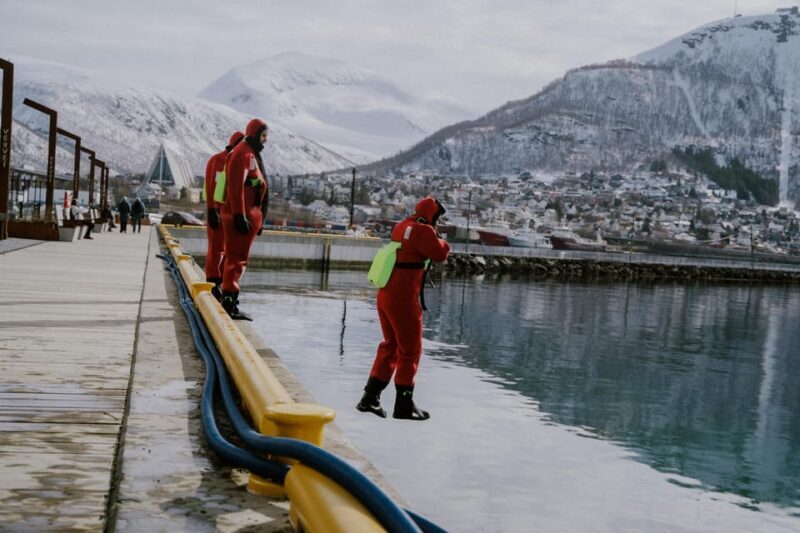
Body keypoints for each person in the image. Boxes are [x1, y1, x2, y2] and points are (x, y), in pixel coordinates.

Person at [357, 197, 449, 421]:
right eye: (438, 217)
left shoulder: (401, 226)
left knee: (391, 345)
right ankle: (404, 404)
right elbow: (441, 253)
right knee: (411, 350)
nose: (438, 222)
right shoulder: (424, 231)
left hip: (385, 294)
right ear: (432, 215)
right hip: (403, 299)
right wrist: (440, 238)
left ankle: (370, 398)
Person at [220, 118, 269, 320]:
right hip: (241, 217)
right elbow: (236, 186)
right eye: (263, 135)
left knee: (236, 259)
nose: (265, 140)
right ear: (254, 134)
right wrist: (240, 214)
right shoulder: (243, 154)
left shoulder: (248, 153)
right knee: (236, 260)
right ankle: (229, 303)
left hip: (248, 215)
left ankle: (229, 300)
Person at [205, 131, 244, 300]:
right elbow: (210, 186)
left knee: (228, 251)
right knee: (216, 248)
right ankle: (212, 282)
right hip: (218, 212)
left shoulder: (237, 162)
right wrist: (212, 209)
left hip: (229, 214)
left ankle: (220, 282)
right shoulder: (217, 160)